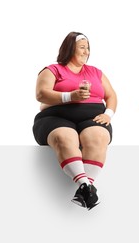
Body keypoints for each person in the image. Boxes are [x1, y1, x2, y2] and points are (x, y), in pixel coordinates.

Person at [33, 31, 117, 210]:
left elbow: (111, 95)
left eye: (88, 48)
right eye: (82, 47)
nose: (86, 51)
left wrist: (108, 114)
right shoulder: (52, 70)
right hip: (55, 116)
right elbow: (41, 93)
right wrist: (70, 96)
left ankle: (85, 187)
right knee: (64, 137)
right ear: (70, 48)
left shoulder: (95, 72)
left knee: (98, 137)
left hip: (92, 117)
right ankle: (87, 186)